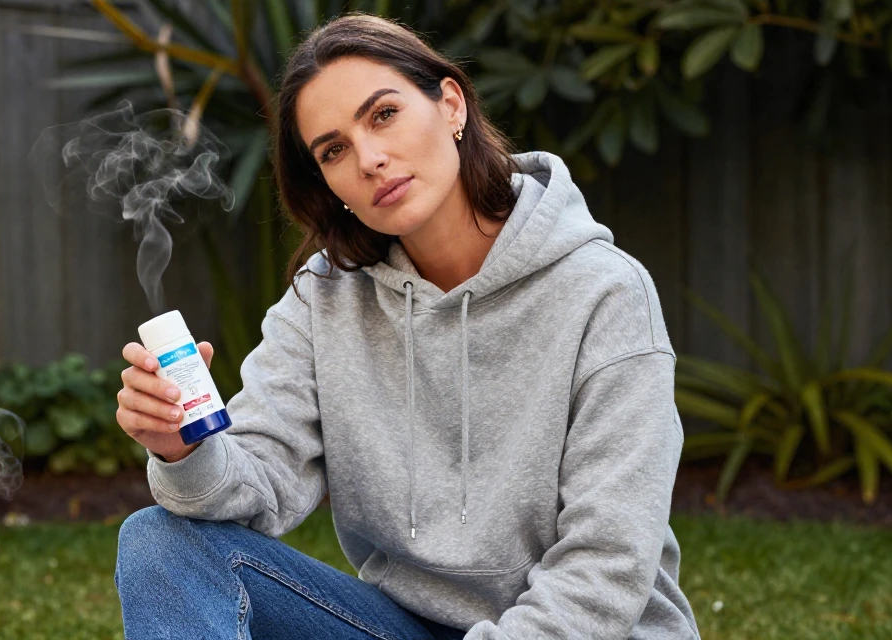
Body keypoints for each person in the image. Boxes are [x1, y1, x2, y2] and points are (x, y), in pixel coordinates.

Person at [113, 12, 700, 640]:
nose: (369, 159)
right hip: (403, 627)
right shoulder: (325, 296)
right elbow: (260, 481)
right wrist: (184, 451)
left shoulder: (604, 292)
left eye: (384, 114)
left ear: (451, 105)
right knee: (158, 541)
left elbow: (606, 563)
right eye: (334, 150)